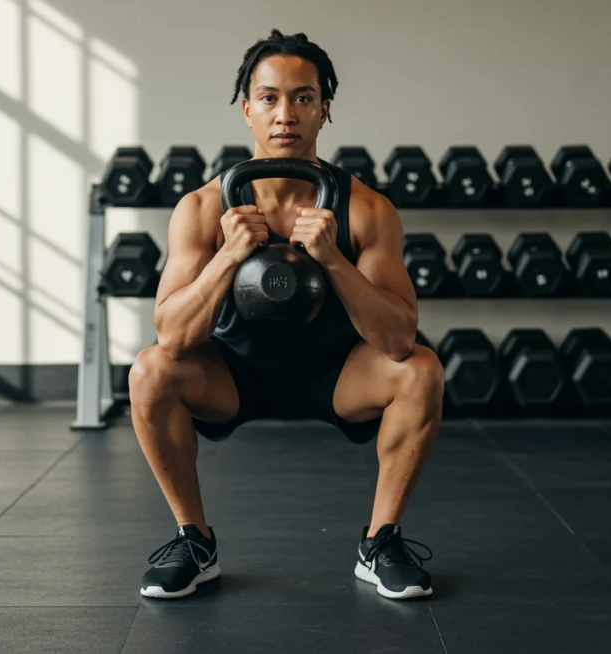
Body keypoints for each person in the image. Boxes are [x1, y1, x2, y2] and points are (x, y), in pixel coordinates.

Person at [128, 29, 444, 601]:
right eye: (269, 98)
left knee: (421, 371)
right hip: (232, 376)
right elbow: (172, 337)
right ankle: (193, 541)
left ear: (325, 108)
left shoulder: (368, 210)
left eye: (303, 97)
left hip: (337, 377)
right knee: (150, 371)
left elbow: (399, 339)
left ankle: (381, 542)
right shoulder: (201, 209)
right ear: (246, 108)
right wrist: (228, 254)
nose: (286, 114)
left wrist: (331, 260)